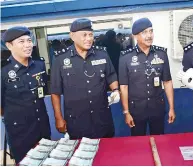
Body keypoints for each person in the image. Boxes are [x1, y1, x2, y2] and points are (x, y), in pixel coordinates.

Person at [50, 18, 120, 139]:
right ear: (72, 36)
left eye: (91, 35)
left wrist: (115, 90)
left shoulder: (102, 54)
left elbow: (111, 75)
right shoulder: (60, 60)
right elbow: (55, 92)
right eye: (84, 35)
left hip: (102, 119)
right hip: (77, 122)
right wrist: (58, 117)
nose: (88, 39)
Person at [1, 26, 51, 163]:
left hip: (43, 128)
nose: (28, 45)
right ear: (9, 45)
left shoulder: (39, 65)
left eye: (29, 41)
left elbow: (42, 92)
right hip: (20, 133)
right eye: (21, 42)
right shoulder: (3, 71)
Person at [119, 18, 176, 136]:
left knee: (159, 140)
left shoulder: (161, 54)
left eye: (151, 31)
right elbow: (124, 87)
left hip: (157, 108)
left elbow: (167, 82)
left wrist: (171, 107)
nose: (149, 35)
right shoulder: (125, 58)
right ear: (135, 36)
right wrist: (126, 112)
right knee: (138, 144)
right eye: (144, 32)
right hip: (136, 110)